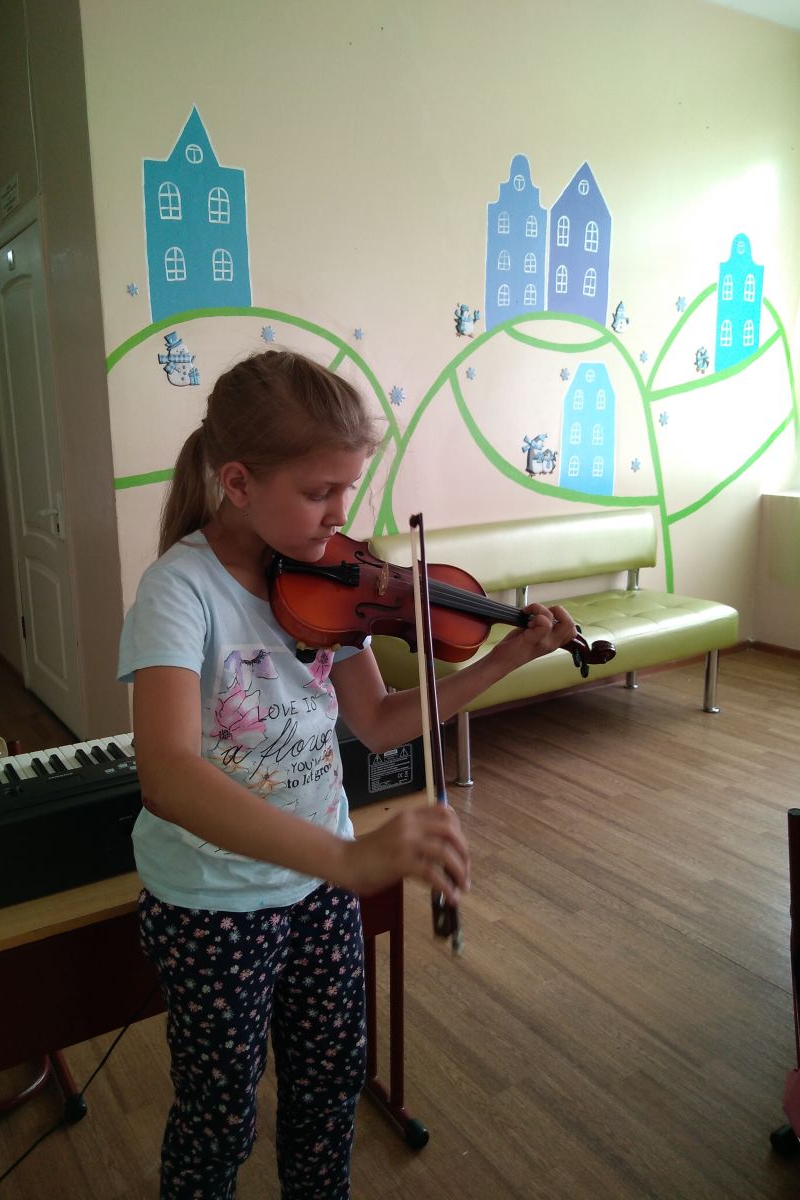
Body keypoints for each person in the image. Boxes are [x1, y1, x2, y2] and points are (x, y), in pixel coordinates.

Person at [118, 349, 577, 1199]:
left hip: (322, 891)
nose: (340, 516)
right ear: (239, 482)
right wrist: (348, 858)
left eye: (349, 489)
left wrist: (504, 659)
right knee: (219, 1119)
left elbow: (379, 720)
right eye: (319, 492)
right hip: (216, 906)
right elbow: (168, 776)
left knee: (329, 1093)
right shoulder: (179, 593)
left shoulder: (329, 581)